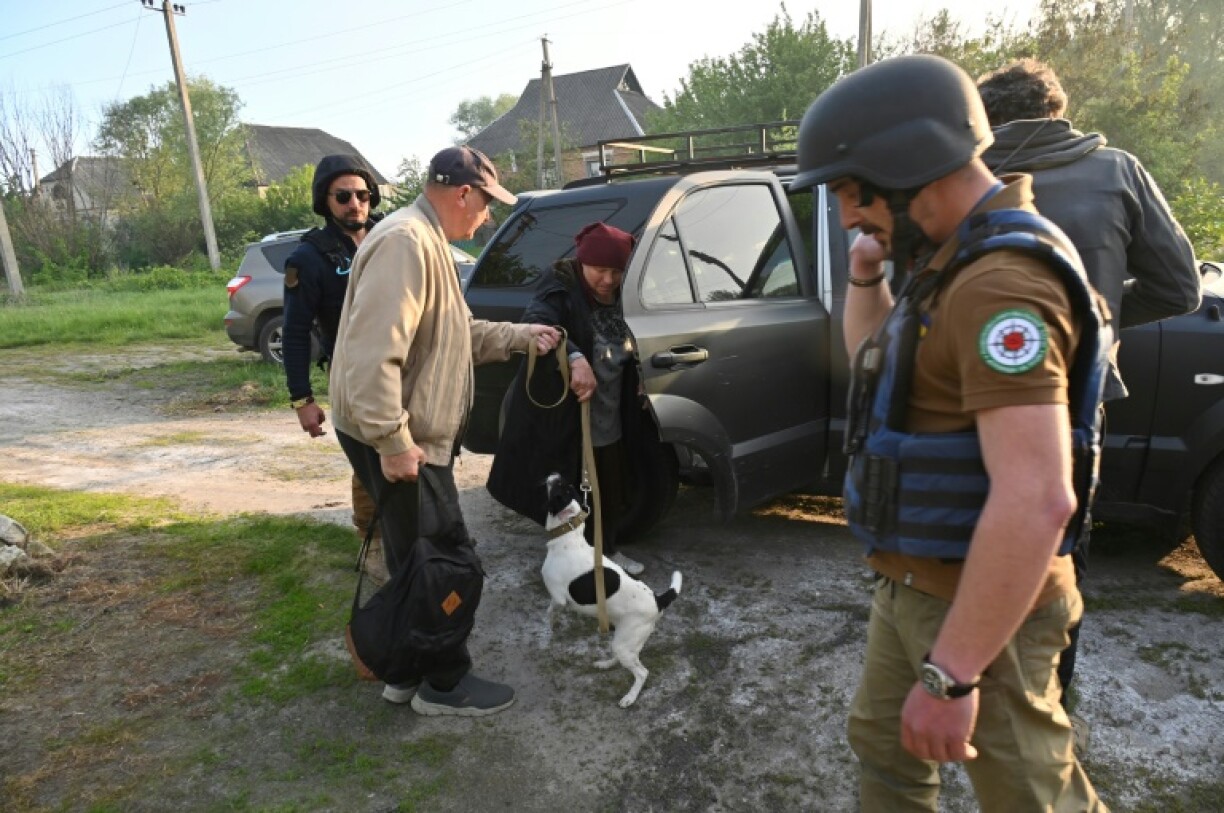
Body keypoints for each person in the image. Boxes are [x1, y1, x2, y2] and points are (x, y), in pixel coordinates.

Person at [791, 54, 1110, 810]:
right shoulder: (946, 260)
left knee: (1030, 795)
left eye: (848, 191)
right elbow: (870, 359)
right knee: (885, 751)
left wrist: (952, 672)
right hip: (910, 585)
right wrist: (867, 273)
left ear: (906, 165)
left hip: (979, 603)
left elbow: (1037, 498)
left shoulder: (1002, 284)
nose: (844, 217)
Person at [977, 58, 1202, 706]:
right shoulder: (1117, 172)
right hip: (1076, 397)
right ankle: (1049, 691)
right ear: (1056, 110)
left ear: (990, 119)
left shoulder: (973, 180)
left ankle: (974, 674)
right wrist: (1093, 313)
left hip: (981, 395)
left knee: (978, 531)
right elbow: (1180, 286)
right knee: (1060, 544)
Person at [329, 145, 561, 717]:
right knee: (444, 560)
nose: (486, 218)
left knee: (416, 559)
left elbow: (452, 336)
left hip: (400, 433)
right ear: (463, 194)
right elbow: (370, 354)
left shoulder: (427, 243)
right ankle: (444, 684)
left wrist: (518, 336)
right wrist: (394, 441)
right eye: (486, 206)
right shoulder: (407, 243)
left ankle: (404, 674)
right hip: (399, 437)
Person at [487, 221, 656, 576]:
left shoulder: (630, 293)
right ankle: (573, 562)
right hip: (567, 416)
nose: (608, 280)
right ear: (582, 264)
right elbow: (539, 324)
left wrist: (643, 373)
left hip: (610, 413)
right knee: (568, 492)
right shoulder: (560, 287)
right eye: (599, 270)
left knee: (608, 488)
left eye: (616, 271)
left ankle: (606, 553)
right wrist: (575, 357)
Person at [282, 154, 389, 585]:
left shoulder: (388, 237)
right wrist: (302, 400)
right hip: (351, 375)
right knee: (370, 458)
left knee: (408, 449)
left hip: (401, 365)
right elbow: (293, 333)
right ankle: (373, 544)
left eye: (362, 195)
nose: (355, 204)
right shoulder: (308, 258)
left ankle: (411, 533)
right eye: (343, 196)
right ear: (325, 201)